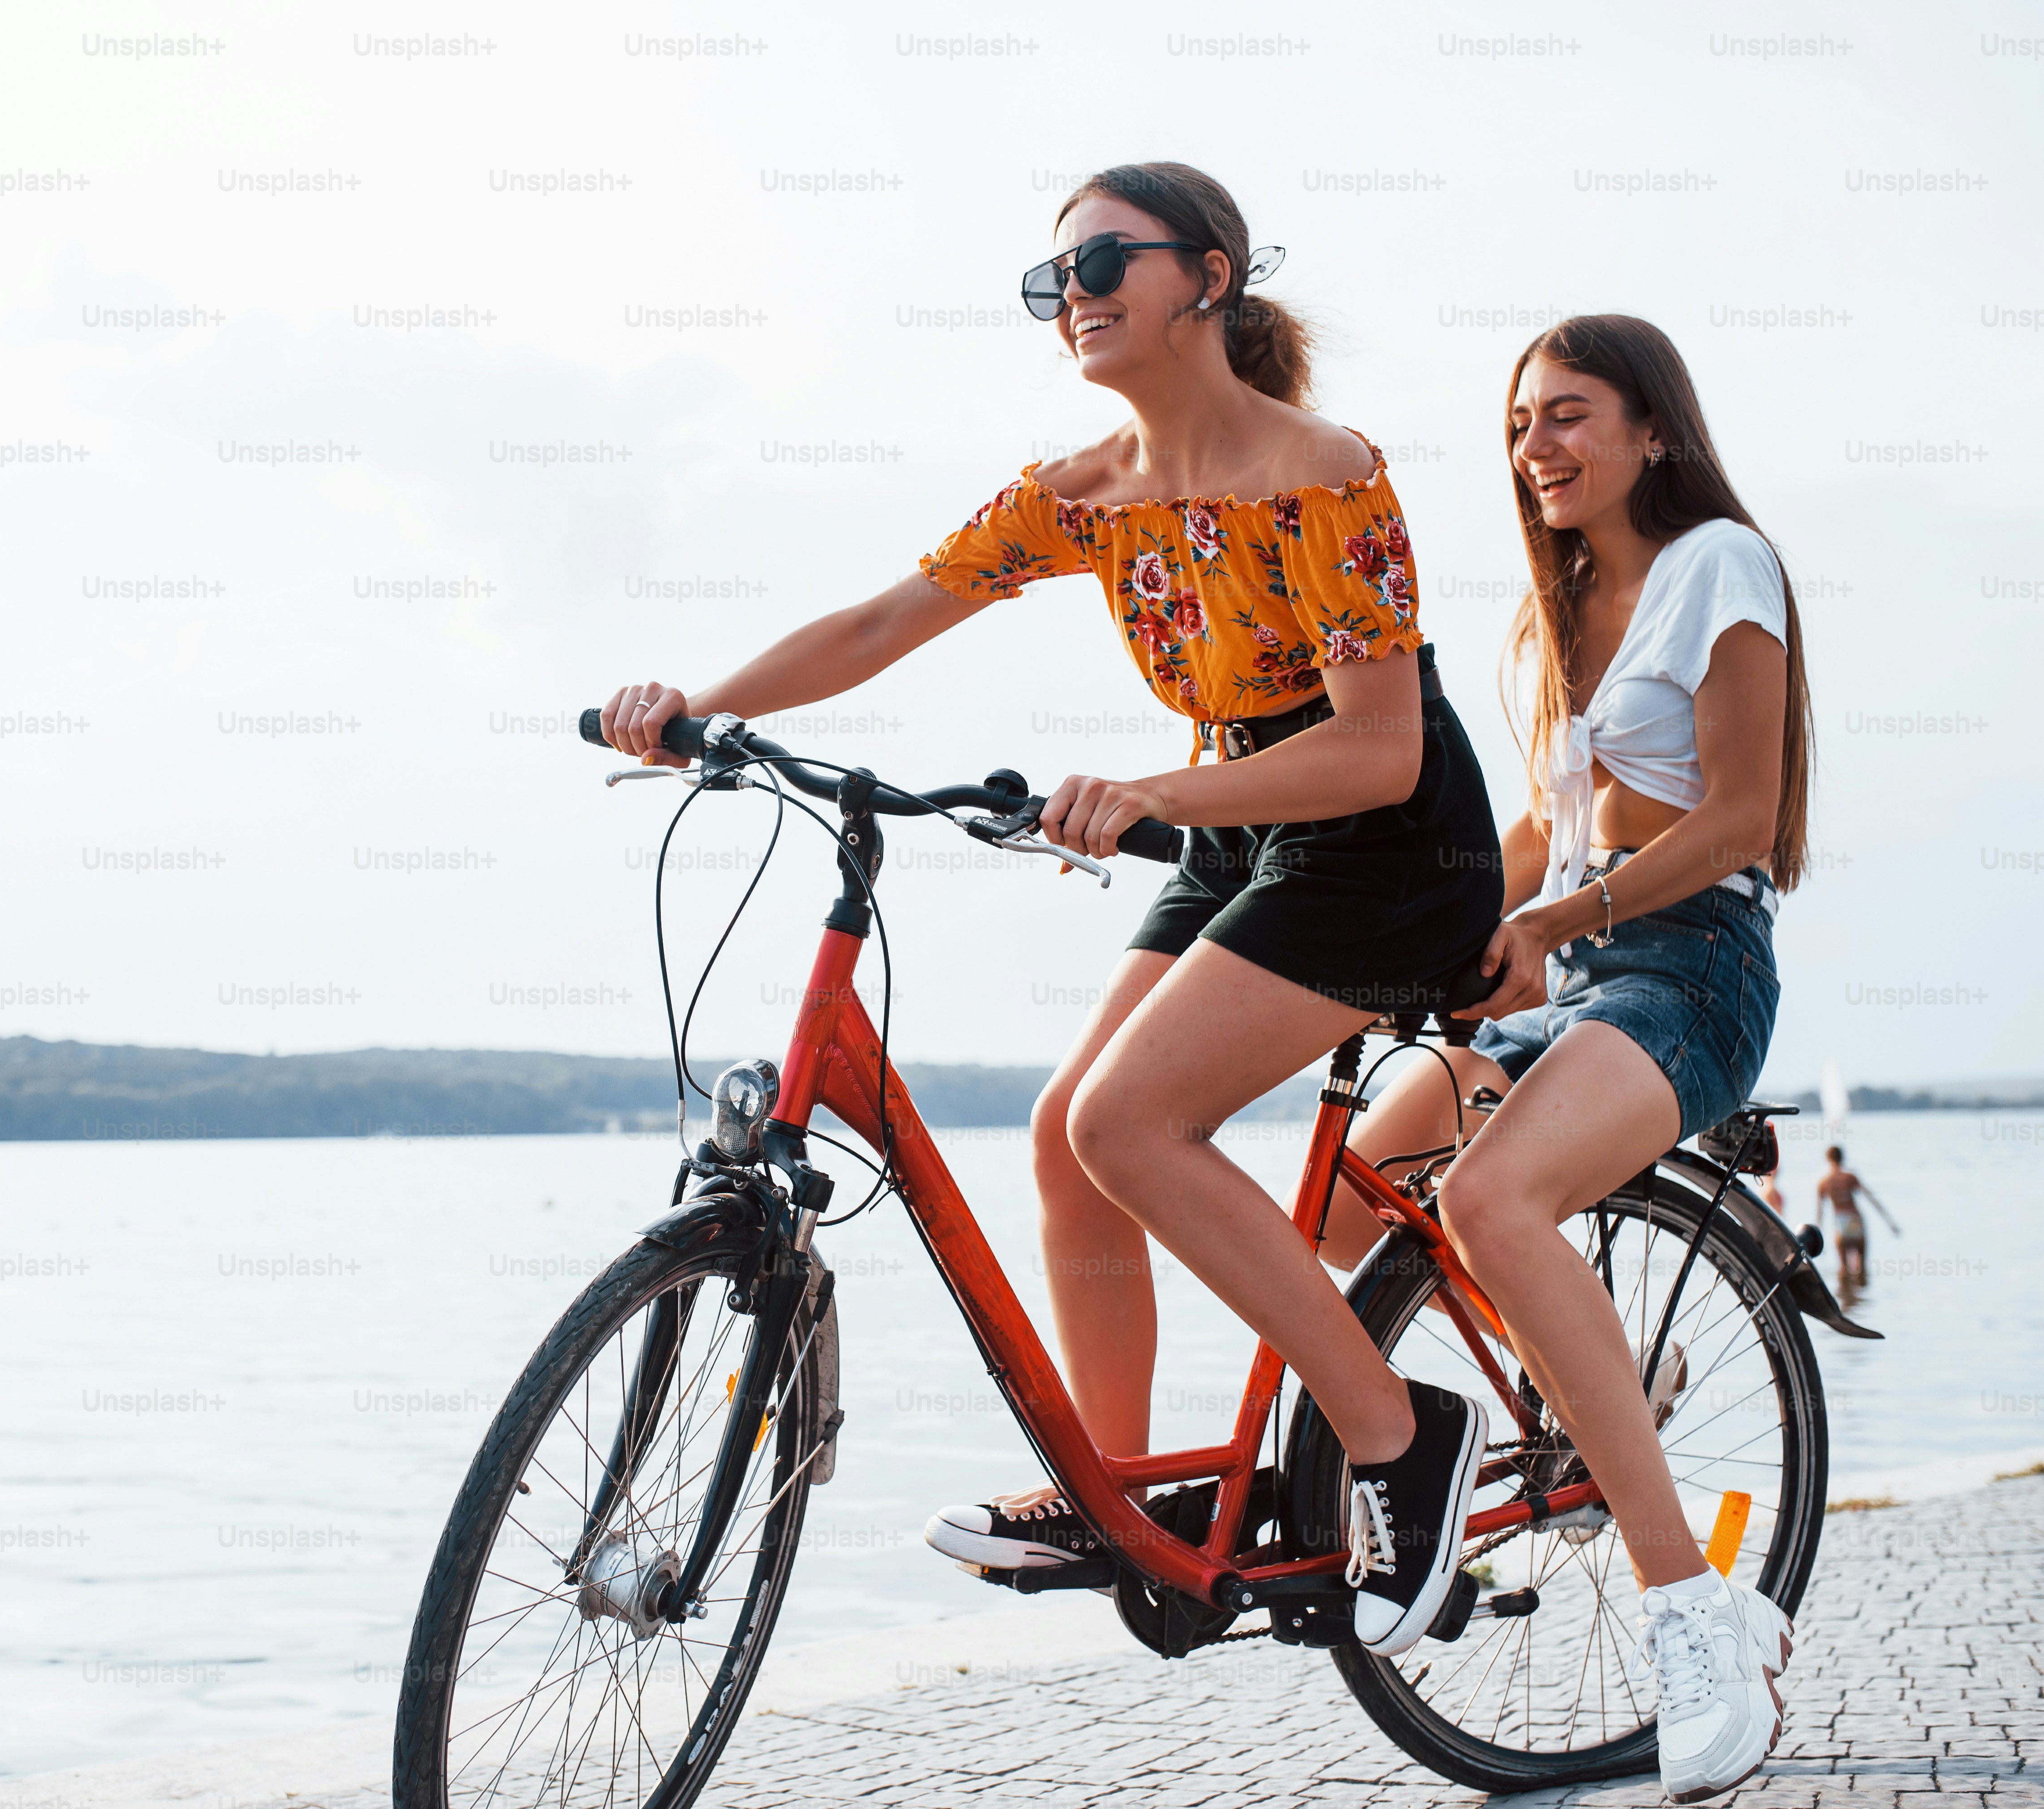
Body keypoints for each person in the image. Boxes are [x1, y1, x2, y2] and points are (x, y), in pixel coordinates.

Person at [598, 162, 1503, 1657]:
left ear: (1206, 278)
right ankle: (1120, 1486)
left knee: (1125, 1125)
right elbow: (883, 620)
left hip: (1384, 837)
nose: (1070, 295)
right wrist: (697, 701)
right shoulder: (1078, 495)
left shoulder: (1321, 471)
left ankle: (1397, 1438)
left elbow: (1378, 746)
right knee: (1064, 1139)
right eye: (1051, 280)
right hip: (1237, 810)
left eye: (1100, 263)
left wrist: (1147, 794)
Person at [1329, 315, 1813, 1801]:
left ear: (1650, 430)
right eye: (1519, 423)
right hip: (1569, 968)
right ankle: (1576, 1362)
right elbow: (1539, 831)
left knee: (1484, 1202)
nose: (1534, 446)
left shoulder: (1716, 565)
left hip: (1689, 967)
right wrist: (1418, 939)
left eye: (1567, 416)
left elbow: (1737, 816)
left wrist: (1563, 915)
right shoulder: (1563, 606)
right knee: (1351, 1195)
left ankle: (1694, 1616)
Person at [1817, 1144, 1899, 1286]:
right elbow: (1872, 1199)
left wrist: (1818, 1241)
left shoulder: (1824, 1182)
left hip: (1840, 1222)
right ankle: (1861, 1298)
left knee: (1844, 1269)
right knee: (1862, 1270)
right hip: (1855, 1220)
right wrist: (1891, 1223)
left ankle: (1847, 1300)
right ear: (1843, 1158)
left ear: (1828, 1159)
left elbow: (1820, 1213)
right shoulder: (1850, 1178)